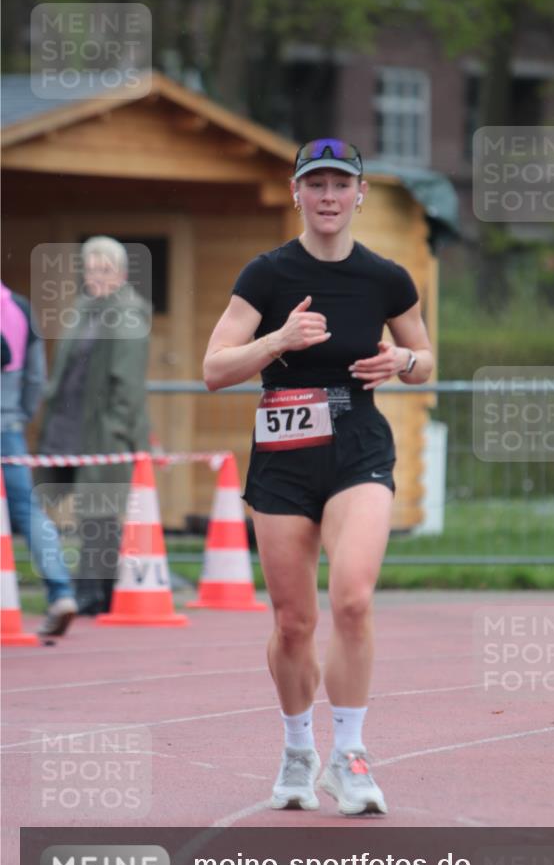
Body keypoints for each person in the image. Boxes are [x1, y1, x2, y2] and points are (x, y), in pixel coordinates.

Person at [203, 139, 434, 815]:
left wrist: (402, 364)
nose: (328, 196)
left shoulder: (387, 278)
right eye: (316, 184)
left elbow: (424, 355)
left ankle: (351, 756)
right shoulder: (266, 275)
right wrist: (278, 340)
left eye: (340, 184)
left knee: (353, 600)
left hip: (358, 444)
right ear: (297, 193)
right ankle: (298, 746)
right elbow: (214, 368)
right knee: (295, 621)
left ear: (359, 194)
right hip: (283, 452)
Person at [37, 236, 151, 615]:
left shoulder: (129, 312)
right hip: (68, 428)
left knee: (98, 511)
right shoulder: (84, 309)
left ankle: (95, 595)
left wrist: (120, 432)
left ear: (120, 273)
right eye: (91, 268)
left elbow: (128, 384)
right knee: (58, 505)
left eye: (105, 269)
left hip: (104, 431)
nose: (96, 276)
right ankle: (85, 590)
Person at [1, 281, 78, 636]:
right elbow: (35, 376)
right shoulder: (17, 306)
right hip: (8, 425)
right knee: (28, 511)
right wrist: (18, 414)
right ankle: (60, 592)